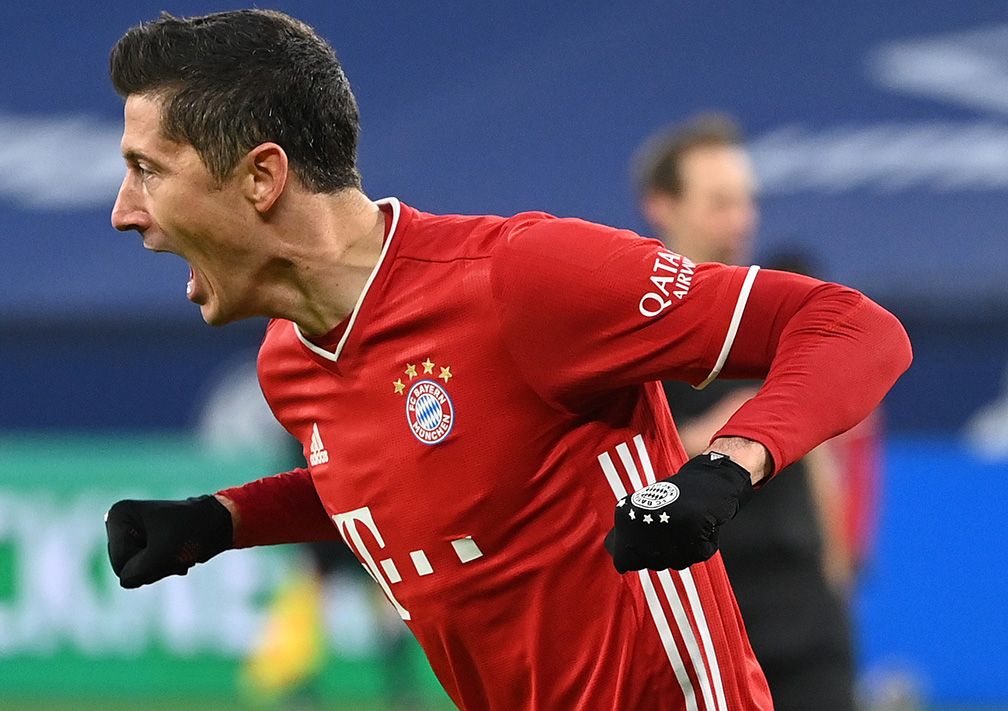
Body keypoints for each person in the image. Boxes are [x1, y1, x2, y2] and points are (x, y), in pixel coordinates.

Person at [102, 11, 912, 711]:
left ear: (263, 177)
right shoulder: (290, 359)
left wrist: (729, 462)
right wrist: (226, 519)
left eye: (147, 169)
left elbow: (853, 327)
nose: (122, 212)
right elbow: (411, 472)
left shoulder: (523, 279)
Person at [633, 114, 873, 711]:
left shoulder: (777, 311)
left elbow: (819, 464)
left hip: (804, 617)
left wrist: (833, 584)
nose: (741, 221)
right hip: (701, 622)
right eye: (719, 203)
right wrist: (713, 438)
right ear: (662, 205)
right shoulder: (630, 331)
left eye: (746, 202)